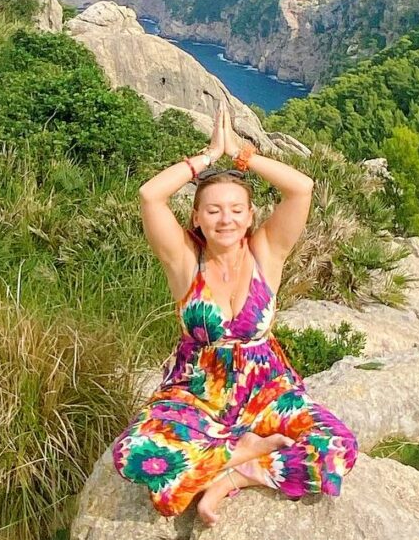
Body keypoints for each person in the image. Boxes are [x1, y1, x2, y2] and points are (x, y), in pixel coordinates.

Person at [112, 100, 358, 526]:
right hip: (196, 394)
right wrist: (208, 157)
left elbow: (301, 188)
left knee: (338, 445)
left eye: (235, 209)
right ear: (197, 217)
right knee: (134, 453)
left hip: (267, 393)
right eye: (213, 210)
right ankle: (240, 450)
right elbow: (150, 195)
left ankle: (235, 474)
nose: (225, 219)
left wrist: (242, 154)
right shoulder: (184, 260)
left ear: (249, 216)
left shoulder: (266, 252)